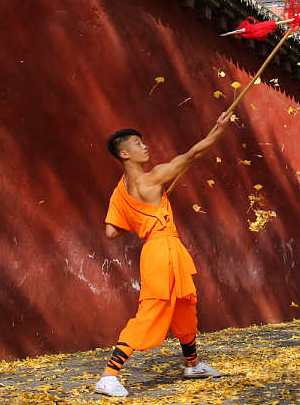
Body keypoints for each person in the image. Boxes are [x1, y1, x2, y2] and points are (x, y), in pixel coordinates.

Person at [94, 111, 232, 398]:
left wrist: (146, 217)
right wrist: (218, 130)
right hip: (162, 251)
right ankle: (109, 375)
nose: (144, 146)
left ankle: (193, 365)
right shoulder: (151, 179)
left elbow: (111, 231)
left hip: (161, 248)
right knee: (151, 312)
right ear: (124, 154)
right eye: (136, 143)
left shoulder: (122, 191)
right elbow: (193, 155)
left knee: (184, 305)